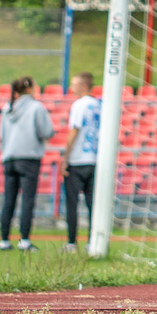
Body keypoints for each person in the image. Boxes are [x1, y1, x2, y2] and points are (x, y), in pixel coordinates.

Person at [0, 76, 53, 252]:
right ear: (29, 89)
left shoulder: (7, 108)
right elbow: (46, 131)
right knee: (27, 200)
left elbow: (0, 134)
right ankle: (25, 240)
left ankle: (4, 239)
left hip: (9, 158)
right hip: (28, 159)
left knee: (9, 200)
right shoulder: (36, 107)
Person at [61, 71, 100, 253]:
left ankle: (71, 242)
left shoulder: (79, 105)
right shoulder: (100, 105)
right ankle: (93, 242)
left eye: (74, 84)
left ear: (84, 86)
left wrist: (65, 158)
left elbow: (74, 131)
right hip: (95, 161)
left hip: (77, 160)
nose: (71, 87)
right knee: (93, 205)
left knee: (72, 204)